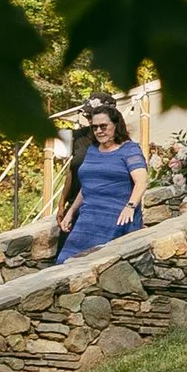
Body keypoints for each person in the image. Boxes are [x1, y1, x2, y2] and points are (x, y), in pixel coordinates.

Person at [55, 97, 146, 259]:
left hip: (118, 219)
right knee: (66, 262)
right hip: (88, 220)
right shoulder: (92, 151)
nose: (99, 131)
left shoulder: (130, 150)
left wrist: (130, 206)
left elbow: (141, 182)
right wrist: (70, 212)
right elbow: (87, 187)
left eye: (103, 126)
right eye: (95, 127)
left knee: (103, 266)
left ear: (116, 125)